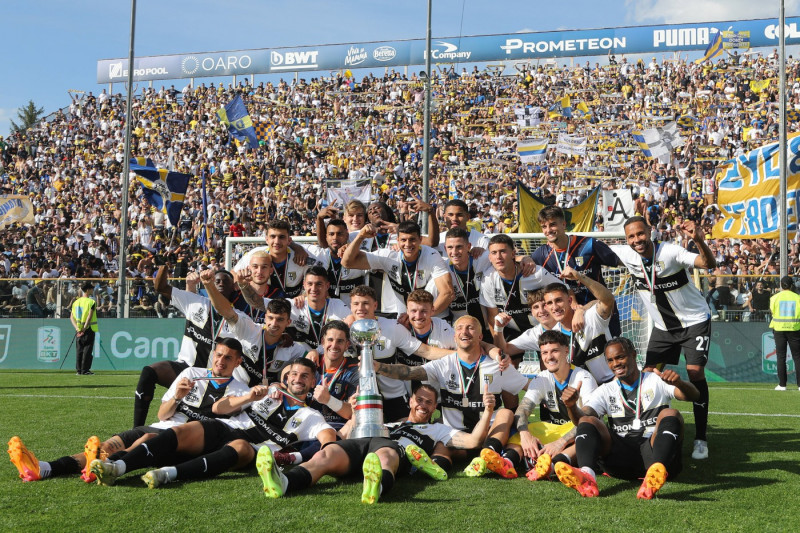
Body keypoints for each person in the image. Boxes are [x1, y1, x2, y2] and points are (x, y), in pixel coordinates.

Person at [8, 338, 250, 483]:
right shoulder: (190, 374)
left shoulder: (240, 391)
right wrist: (176, 396)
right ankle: (45, 468)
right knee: (108, 444)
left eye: (228, 358)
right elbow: (162, 415)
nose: (220, 360)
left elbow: (227, 428)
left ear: (238, 362)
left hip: (181, 443)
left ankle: (106, 467)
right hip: (161, 426)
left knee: (146, 438)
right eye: (218, 354)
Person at [90, 359, 336, 488]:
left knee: (240, 446)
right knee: (185, 429)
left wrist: (316, 457)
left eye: (305, 376)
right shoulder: (267, 393)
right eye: (294, 374)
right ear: (287, 376)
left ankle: (168, 475)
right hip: (225, 429)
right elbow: (218, 409)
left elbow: (328, 438)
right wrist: (251, 395)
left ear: (313, 381)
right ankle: (118, 467)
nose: (298, 379)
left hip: (250, 450)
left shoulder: (312, 416)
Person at [256, 383, 495, 504]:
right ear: (411, 401)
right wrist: (355, 411)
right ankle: (284, 483)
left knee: (386, 456)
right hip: (364, 442)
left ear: (435, 407)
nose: (423, 404)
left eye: (429, 402)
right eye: (419, 399)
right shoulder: (387, 422)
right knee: (325, 455)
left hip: (395, 449)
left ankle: (376, 487)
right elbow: (348, 434)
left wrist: (489, 410)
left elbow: (474, 440)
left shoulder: (438, 429)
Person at [610, 216, 715, 460]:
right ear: (626, 240)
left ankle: (701, 438)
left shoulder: (671, 252)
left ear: (651, 231)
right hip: (662, 328)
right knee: (646, 375)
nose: (637, 240)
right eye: (631, 237)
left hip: (694, 321)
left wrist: (698, 240)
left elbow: (706, 263)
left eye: (640, 234)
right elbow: (589, 249)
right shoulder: (626, 255)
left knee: (695, 372)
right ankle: (649, 431)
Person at [374, 315, 527, 472]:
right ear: (454, 337)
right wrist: (378, 367)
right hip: (457, 436)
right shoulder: (443, 364)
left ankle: (487, 455)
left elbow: (528, 388)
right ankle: (436, 467)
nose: (464, 332)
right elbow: (409, 372)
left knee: (506, 414)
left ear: (480, 337)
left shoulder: (498, 366)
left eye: (470, 328)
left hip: (490, 432)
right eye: (460, 328)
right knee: (442, 443)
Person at [554, 337, 699, 500]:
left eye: (620, 357)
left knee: (671, 414)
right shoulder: (606, 390)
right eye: (610, 360)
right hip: (620, 459)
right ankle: (587, 477)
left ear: (633, 355)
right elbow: (581, 418)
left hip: (654, 451)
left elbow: (693, 395)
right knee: (587, 421)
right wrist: (572, 406)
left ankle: (656, 472)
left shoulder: (655, 380)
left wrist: (680, 383)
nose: (615, 363)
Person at [132, 266, 246, 427]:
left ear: (234, 287)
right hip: (185, 368)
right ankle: (137, 428)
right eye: (217, 280)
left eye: (225, 281)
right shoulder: (195, 302)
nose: (220, 283)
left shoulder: (239, 318)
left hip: (214, 377)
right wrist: (164, 267)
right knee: (149, 371)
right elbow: (161, 288)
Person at [200, 270, 307, 386]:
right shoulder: (249, 329)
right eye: (271, 318)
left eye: (280, 320)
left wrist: (313, 354)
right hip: (233, 388)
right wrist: (209, 285)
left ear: (288, 322)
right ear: (265, 318)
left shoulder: (293, 348)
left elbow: (314, 357)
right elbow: (226, 311)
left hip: (264, 395)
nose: (274, 324)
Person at [531, 205, 622, 336]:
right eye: (544, 227)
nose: (548, 230)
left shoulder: (589, 245)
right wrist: (525, 259)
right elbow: (520, 263)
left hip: (600, 312)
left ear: (563, 224)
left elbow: (620, 261)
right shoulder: (541, 255)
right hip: (568, 320)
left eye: (552, 225)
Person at [342, 220, 454, 317]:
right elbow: (347, 262)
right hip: (404, 316)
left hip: (434, 315)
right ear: (398, 240)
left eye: (412, 239)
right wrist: (360, 237)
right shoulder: (390, 256)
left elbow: (447, 293)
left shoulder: (431, 255)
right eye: (403, 240)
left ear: (420, 239)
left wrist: (423, 317)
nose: (408, 244)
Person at [480, 234, 562, 344]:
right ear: (490, 257)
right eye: (494, 253)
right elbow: (492, 317)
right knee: (508, 360)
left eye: (503, 251)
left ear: (513, 253)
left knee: (547, 358)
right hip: (511, 329)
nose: (498, 257)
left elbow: (564, 290)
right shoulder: (488, 280)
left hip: (540, 327)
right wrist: (497, 345)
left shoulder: (536, 273)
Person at [769, 276, 800, 391]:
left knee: (781, 357)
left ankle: (782, 385)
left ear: (781, 285)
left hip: (779, 329)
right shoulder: (797, 297)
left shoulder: (775, 297)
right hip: (794, 329)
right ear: (791, 285)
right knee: (797, 357)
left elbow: (772, 312)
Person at [70, 282, 98, 376]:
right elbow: (89, 317)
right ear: (87, 290)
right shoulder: (91, 302)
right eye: (91, 288)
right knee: (87, 350)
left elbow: (71, 317)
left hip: (78, 330)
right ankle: (85, 370)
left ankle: (78, 370)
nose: (92, 290)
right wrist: (84, 328)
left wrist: (77, 328)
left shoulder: (76, 302)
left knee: (79, 350)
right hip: (88, 329)